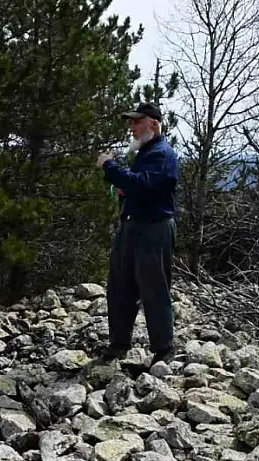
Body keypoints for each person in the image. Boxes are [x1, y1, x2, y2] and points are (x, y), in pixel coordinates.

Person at [95, 102, 179, 364]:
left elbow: (141, 183)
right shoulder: (148, 151)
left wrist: (109, 167)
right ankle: (118, 344)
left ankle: (164, 350)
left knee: (153, 288)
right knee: (120, 287)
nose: (131, 128)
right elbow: (143, 185)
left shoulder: (161, 153)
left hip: (153, 229)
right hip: (134, 226)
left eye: (136, 122)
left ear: (153, 123)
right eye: (131, 122)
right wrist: (127, 188)